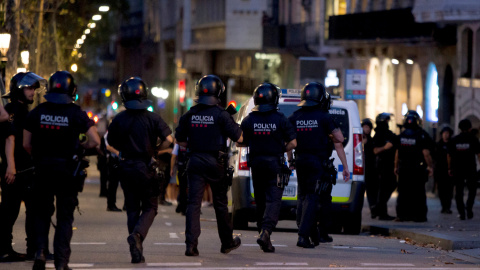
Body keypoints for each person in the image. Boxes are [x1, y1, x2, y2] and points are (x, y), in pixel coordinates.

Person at [23, 71, 101, 270]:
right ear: (72, 91)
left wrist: (40, 155)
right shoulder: (76, 113)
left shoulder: (38, 112)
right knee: (65, 217)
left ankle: (40, 252)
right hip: (67, 171)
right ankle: (61, 262)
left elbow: (26, 143)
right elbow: (95, 140)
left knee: (41, 214)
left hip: (42, 170)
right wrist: (80, 147)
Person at [107, 77, 173, 263]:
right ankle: (137, 236)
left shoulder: (119, 118)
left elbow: (111, 141)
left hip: (126, 167)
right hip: (146, 167)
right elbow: (169, 139)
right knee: (151, 206)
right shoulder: (153, 117)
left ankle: (136, 250)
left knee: (132, 208)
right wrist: (156, 150)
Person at [175, 74, 243, 256]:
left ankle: (191, 245)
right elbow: (240, 138)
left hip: (195, 161)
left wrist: (197, 144)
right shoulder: (222, 115)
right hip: (216, 163)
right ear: (219, 92)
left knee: (193, 204)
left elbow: (179, 140)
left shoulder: (189, 114)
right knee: (220, 204)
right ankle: (227, 243)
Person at [288, 82, 349, 248]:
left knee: (302, 196)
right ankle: (302, 236)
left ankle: (304, 229)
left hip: (300, 160)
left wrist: (290, 160)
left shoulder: (294, 117)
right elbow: (340, 139)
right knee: (312, 197)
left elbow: (288, 142)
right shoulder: (324, 117)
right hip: (317, 162)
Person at [239, 82, 296, 252]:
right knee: (274, 200)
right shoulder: (280, 119)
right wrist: (280, 148)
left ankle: (264, 235)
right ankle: (265, 232)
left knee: (261, 201)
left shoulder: (249, 119)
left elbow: (239, 141)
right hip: (275, 164)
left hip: (256, 164)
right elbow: (293, 142)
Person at [0, 72, 47, 262]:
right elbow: (9, 139)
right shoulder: (13, 113)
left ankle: (32, 249)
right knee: (10, 211)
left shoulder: (19, 111)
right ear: (19, 89)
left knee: (26, 210)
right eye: (29, 88)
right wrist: (11, 166)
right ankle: (5, 249)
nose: (33, 92)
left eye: (34, 89)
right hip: (16, 171)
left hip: (22, 170)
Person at [394, 110, 433, 222]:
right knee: (418, 193)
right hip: (417, 169)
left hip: (404, 168)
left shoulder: (402, 135)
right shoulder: (421, 135)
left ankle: (402, 215)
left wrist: (395, 166)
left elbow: (397, 153)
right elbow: (426, 153)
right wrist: (430, 166)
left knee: (403, 193)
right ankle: (419, 216)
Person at [447, 119, 480, 220]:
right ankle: (469, 207)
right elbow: (479, 154)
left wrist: (449, 168)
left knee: (459, 191)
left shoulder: (454, 140)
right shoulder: (473, 139)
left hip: (458, 169)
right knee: (472, 190)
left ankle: (461, 212)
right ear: (470, 128)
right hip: (471, 169)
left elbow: (449, 156)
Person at [372, 113, 397, 220]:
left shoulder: (389, 134)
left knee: (392, 185)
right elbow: (375, 150)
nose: (388, 123)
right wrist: (385, 147)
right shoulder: (378, 135)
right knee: (383, 189)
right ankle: (381, 212)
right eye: (386, 121)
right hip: (382, 166)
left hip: (390, 164)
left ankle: (378, 208)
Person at [434, 124, 454, 214]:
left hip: (450, 171)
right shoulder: (438, 145)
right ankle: (443, 206)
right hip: (440, 170)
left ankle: (448, 207)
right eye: (444, 133)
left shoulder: (452, 144)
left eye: (447, 133)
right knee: (441, 190)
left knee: (449, 190)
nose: (446, 135)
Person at [362, 118, 377, 219]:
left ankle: (373, 210)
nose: (367, 129)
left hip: (370, 169)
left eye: (368, 127)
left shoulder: (372, 140)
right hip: (360, 169)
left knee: (371, 191)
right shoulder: (357, 139)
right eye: (365, 127)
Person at [170, 143, 188, 215]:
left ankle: (182, 206)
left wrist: (171, 169)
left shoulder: (178, 144)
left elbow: (174, 156)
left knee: (182, 188)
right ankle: (184, 206)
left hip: (181, 168)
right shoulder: (193, 140)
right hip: (191, 167)